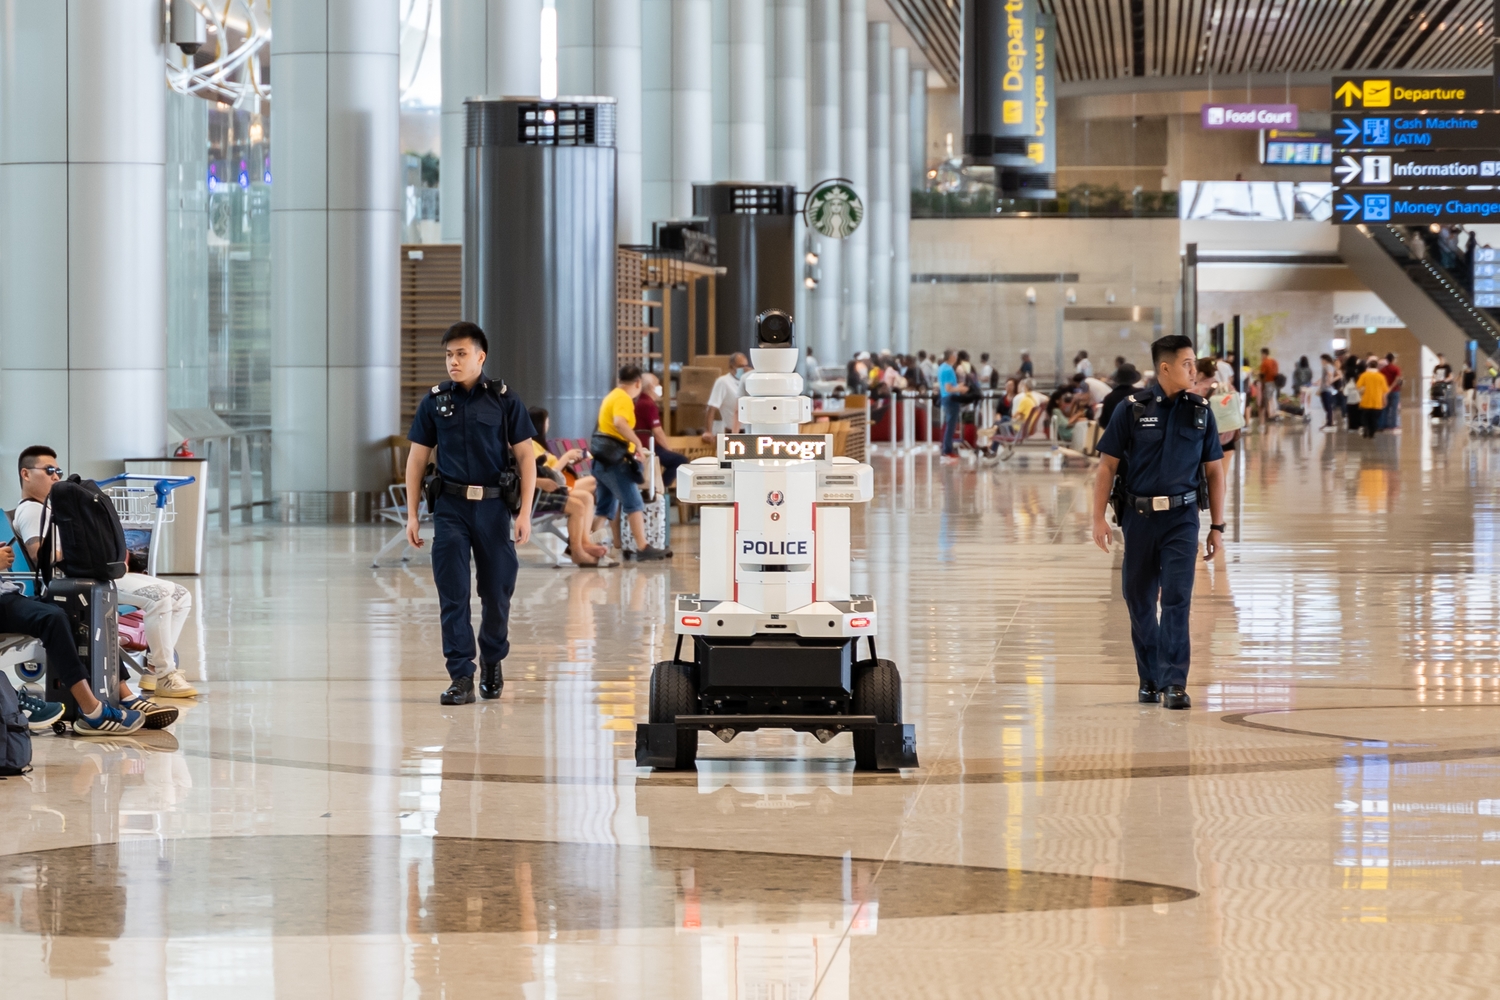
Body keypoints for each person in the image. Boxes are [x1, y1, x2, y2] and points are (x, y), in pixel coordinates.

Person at [404, 322, 538, 705]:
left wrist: (525, 513)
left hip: (494, 508)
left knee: (496, 591)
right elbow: (416, 461)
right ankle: (461, 674)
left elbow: (526, 458)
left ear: (481, 357)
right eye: (449, 354)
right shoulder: (434, 402)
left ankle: (492, 660)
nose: (453, 362)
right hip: (450, 509)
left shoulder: (504, 400)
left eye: (461, 354)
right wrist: (413, 515)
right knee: (453, 592)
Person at [1092, 335, 1226, 711]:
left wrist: (1217, 527)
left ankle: (1174, 683)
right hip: (1138, 519)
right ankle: (1149, 677)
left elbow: (1214, 472)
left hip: (1182, 520)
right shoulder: (1131, 409)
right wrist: (1097, 517)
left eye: (1194, 363)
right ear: (1165, 367)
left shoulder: (1201, 411)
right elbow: (1107, 466)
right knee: (1138, 598)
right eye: (1186, 363)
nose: (1193, 370)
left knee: (1178, 600)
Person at [14, 448, 190, 726]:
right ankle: (162, 676)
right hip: (72, 581)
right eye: (49, 471)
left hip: (92, 577)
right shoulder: (31, 511)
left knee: (181, 595)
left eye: (58, 471)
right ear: (26, 474)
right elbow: (40, 555)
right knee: (161, 596)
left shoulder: (55, 508)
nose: (56, 476)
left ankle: (150, 671)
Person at [590, 365, 671, 563]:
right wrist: (636, 442)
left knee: (605, 507)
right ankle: (643, 546)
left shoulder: (611, 396)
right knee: (634, 502)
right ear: (637, 383)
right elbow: (619, 422)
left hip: (602, 460)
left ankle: (586, 544)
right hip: (615, 461)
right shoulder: (623, 399)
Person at [527, 407, 612, 568]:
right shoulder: (530, 445)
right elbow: (548, 474)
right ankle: (579, 546)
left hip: (553, 485)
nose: (548, 424)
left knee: (588, 494)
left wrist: (570, 462)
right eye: (546, 421)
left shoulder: (538, 445)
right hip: (546, 489)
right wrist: (565, 457)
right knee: (594, 484)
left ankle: (584, 541)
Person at [635, 373, 689, 488]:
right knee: (679, 460)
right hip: (648, 446)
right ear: (650, 387)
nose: (660, 387)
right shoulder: (648, 404)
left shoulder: (640, 402)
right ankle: (660, 488)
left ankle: (659, 487)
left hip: (643, 444)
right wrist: (668, 448)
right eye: (657, 384)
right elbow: (658, 431)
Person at [703, 352, 751, 440]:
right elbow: (711, 408)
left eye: (745, 366)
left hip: (750, 430)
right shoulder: (723, 382)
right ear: (732, 367)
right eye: (740, 366)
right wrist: (708, 431)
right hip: (733, 431)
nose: (744, 369)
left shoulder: (749, 381)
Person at [1356, 357, 1389, 438]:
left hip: (1365, 401)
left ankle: (1366, 428)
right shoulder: (1381, 376)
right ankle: (1372, 433)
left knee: (1365, 418)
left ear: (1368, 366)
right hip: (1377, 401)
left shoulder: (1364, 375)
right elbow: (1385, 390)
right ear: (1377, 367)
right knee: (1374, 419)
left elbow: (1358, 386)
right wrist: (1385, 400)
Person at [938, 350, 961, 460]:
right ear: (951, 357)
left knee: (949, 424)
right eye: (955, 355)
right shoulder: (948, 369)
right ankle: (947, 449)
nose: (956, 357)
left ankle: (946, 447)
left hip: (945, 397)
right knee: (951, 425)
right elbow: (948, 387)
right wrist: (961, 388)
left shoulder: (942, 367)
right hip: (951, 398)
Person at [1380, 352, 1403, 431]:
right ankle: (1392, 425)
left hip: (1385, 392)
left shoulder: (1383, 370)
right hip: (1395, 391)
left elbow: (1381, 381)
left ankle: (1383, 424)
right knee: (1394, 409)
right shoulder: (1396, 368)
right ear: (1393, 359)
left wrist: (1386, 389)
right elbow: (1397, 379)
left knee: (1385, 408)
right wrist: (1391, 387)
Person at [1257, 347, 1280, 425]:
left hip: (1268, 382)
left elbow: (1262, 374)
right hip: (1275, 382)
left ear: (1263, 354)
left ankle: (1270, 415)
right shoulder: (1274, 361)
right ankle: (1275, 413)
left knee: (1268, 398)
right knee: (1273, 398)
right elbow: (1276, 372)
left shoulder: (1265, 362)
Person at [1318, 353, 1340, 430]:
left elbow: (1329, 374)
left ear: (1324, 360)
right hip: (1327, 389)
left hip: (1325, 389)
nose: (1321, 362)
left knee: (1327, 406)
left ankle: (1329, 422)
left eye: (1321, 360)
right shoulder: (1331, 366)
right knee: (1328, 406)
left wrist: (1328, 381)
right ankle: (1329, 421)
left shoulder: (1327, 366)